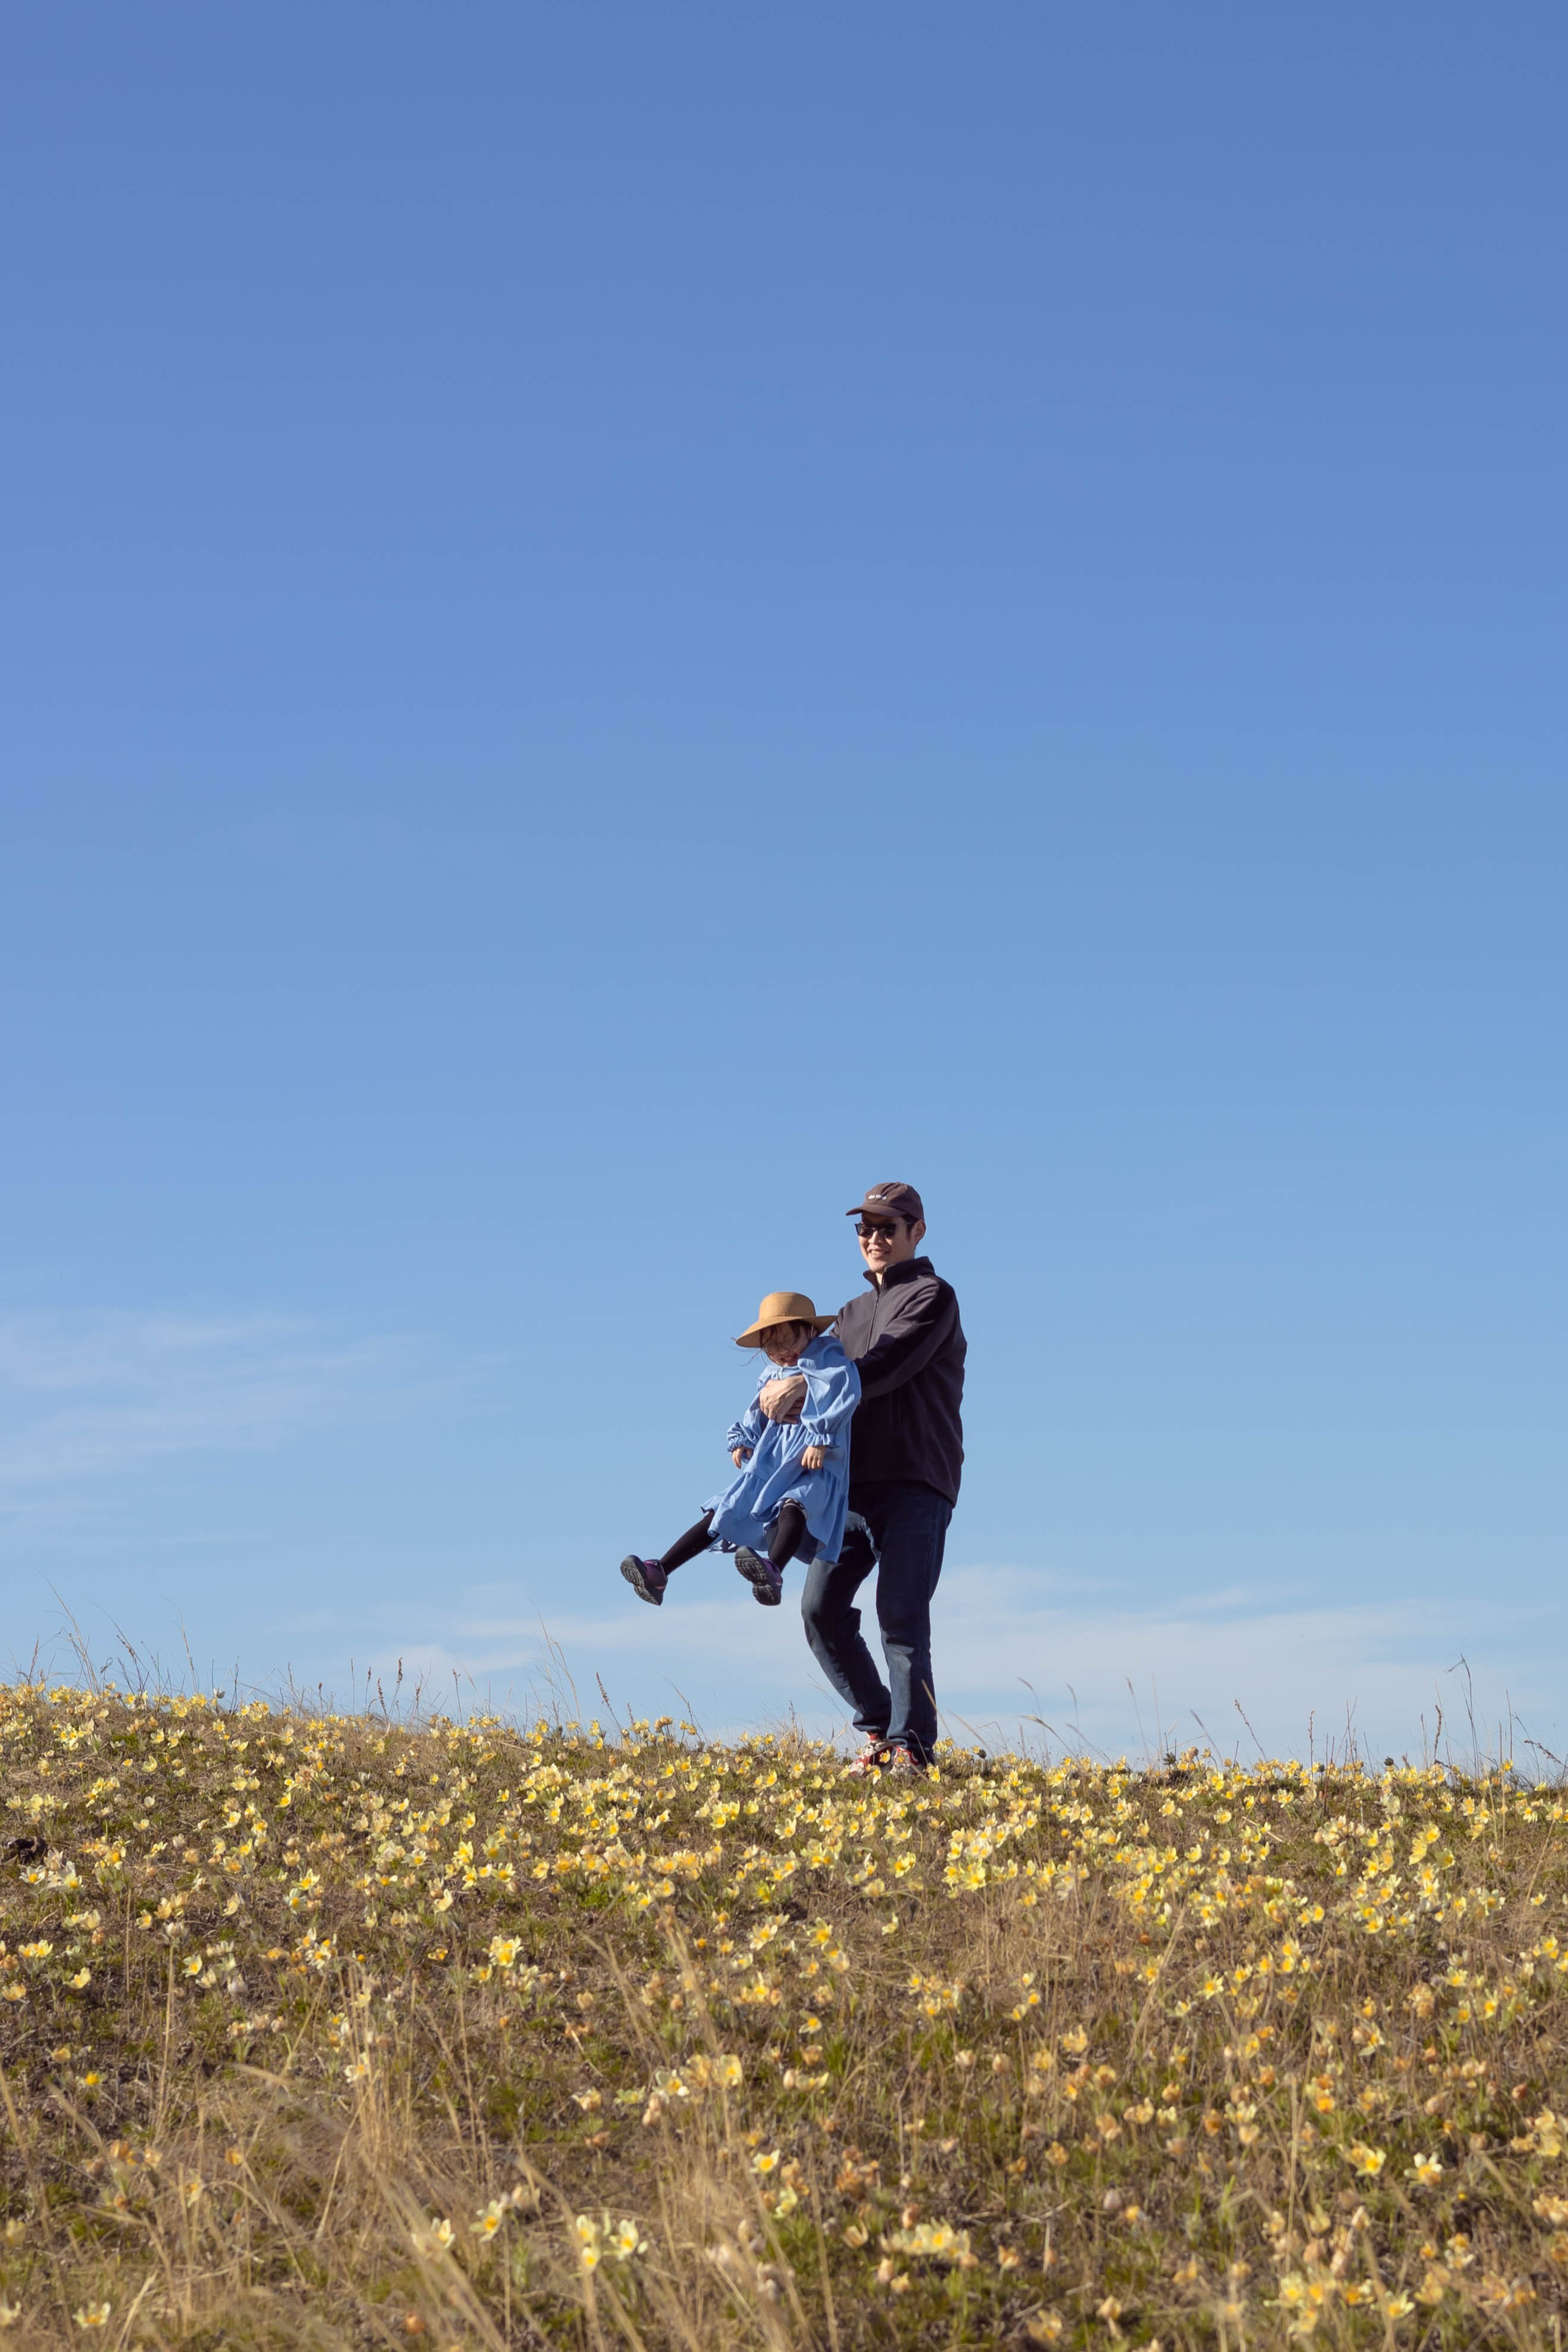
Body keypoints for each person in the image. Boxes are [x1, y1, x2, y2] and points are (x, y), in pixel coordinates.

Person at [757, 1183, 964, 1776]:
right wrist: (757, 1434)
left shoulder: (933, 1297)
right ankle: (880, 1730)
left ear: (916, 1232)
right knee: (819, 1609)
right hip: (845, 1489)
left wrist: (811, 1387)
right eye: (864, 1228)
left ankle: (912, 1752)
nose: (874, 1237)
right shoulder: (847, 1314)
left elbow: (887, 1365)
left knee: (900, 1615)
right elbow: (803, 1376)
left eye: (888, 1226)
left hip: (916, 1479)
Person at [619, 1291, 861, 1610]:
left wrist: (821, 1437)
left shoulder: (827, 1358)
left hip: (810, 1461)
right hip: (772, 1461)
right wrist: (744, 1438)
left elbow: (844, 1388)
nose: (783, 1351)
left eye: (790, 1339)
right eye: (773, 1346)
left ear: (811, 1331)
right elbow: (758, 1409)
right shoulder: (772, 1374)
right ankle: (660, 1570)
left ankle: (773, 1570)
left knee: (795, 1505)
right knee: (726, 1509)